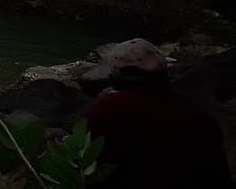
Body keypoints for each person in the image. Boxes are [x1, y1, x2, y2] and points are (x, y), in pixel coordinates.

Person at [82, 39, 233, 187]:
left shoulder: (104, 110)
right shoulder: (198, 116)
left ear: (114, 78)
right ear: (164, 72)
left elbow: (86, 164)